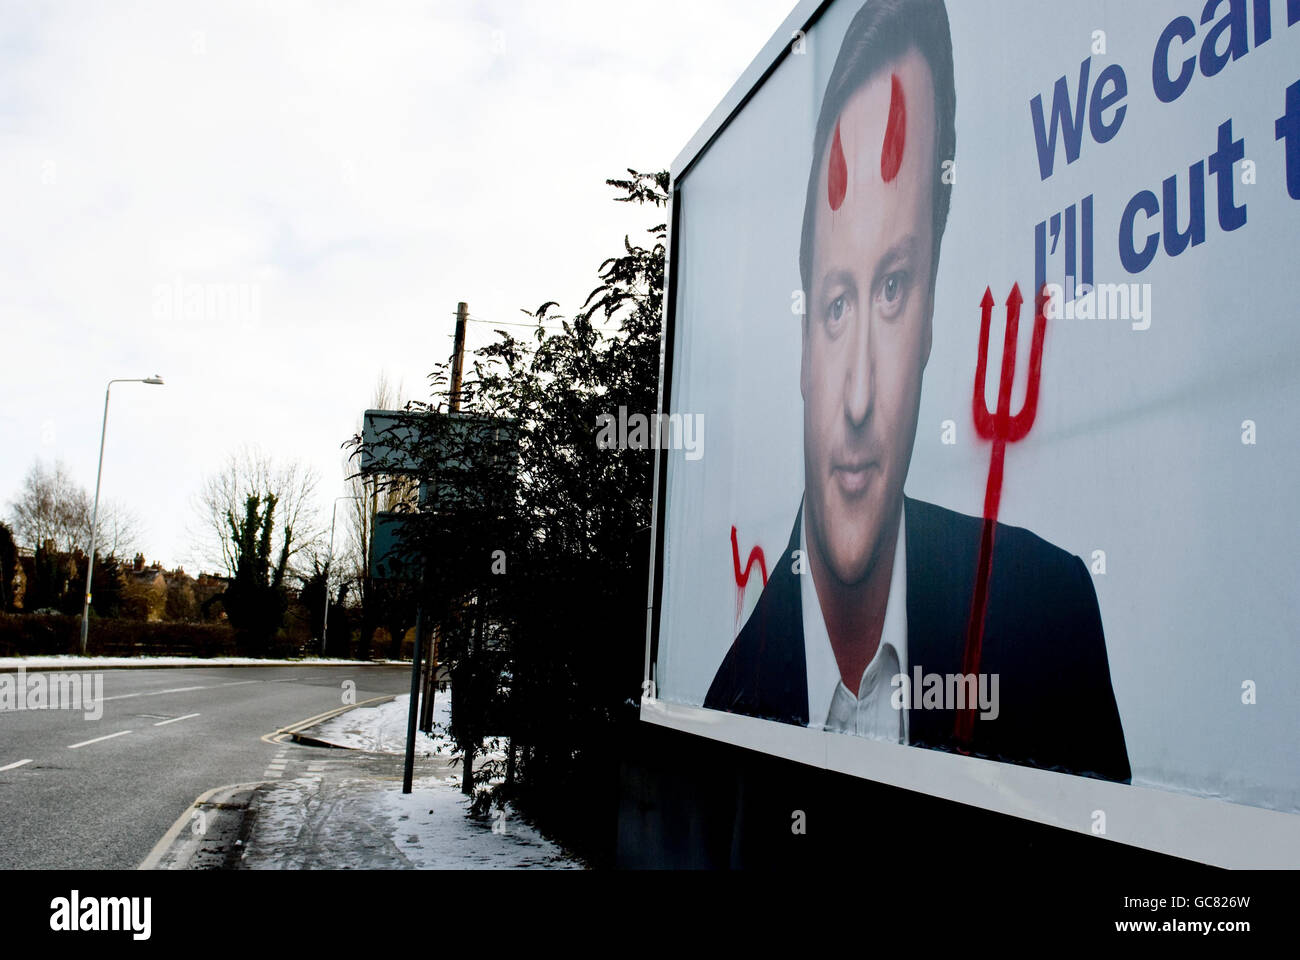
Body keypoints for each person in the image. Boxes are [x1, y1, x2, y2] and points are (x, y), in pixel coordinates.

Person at [704, 0, 1129, 783]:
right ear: (801, 345)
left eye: (894, 287)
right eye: (837, 304)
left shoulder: (1048, 623)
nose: (861, 397)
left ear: (931, 315)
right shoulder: (728, 704)